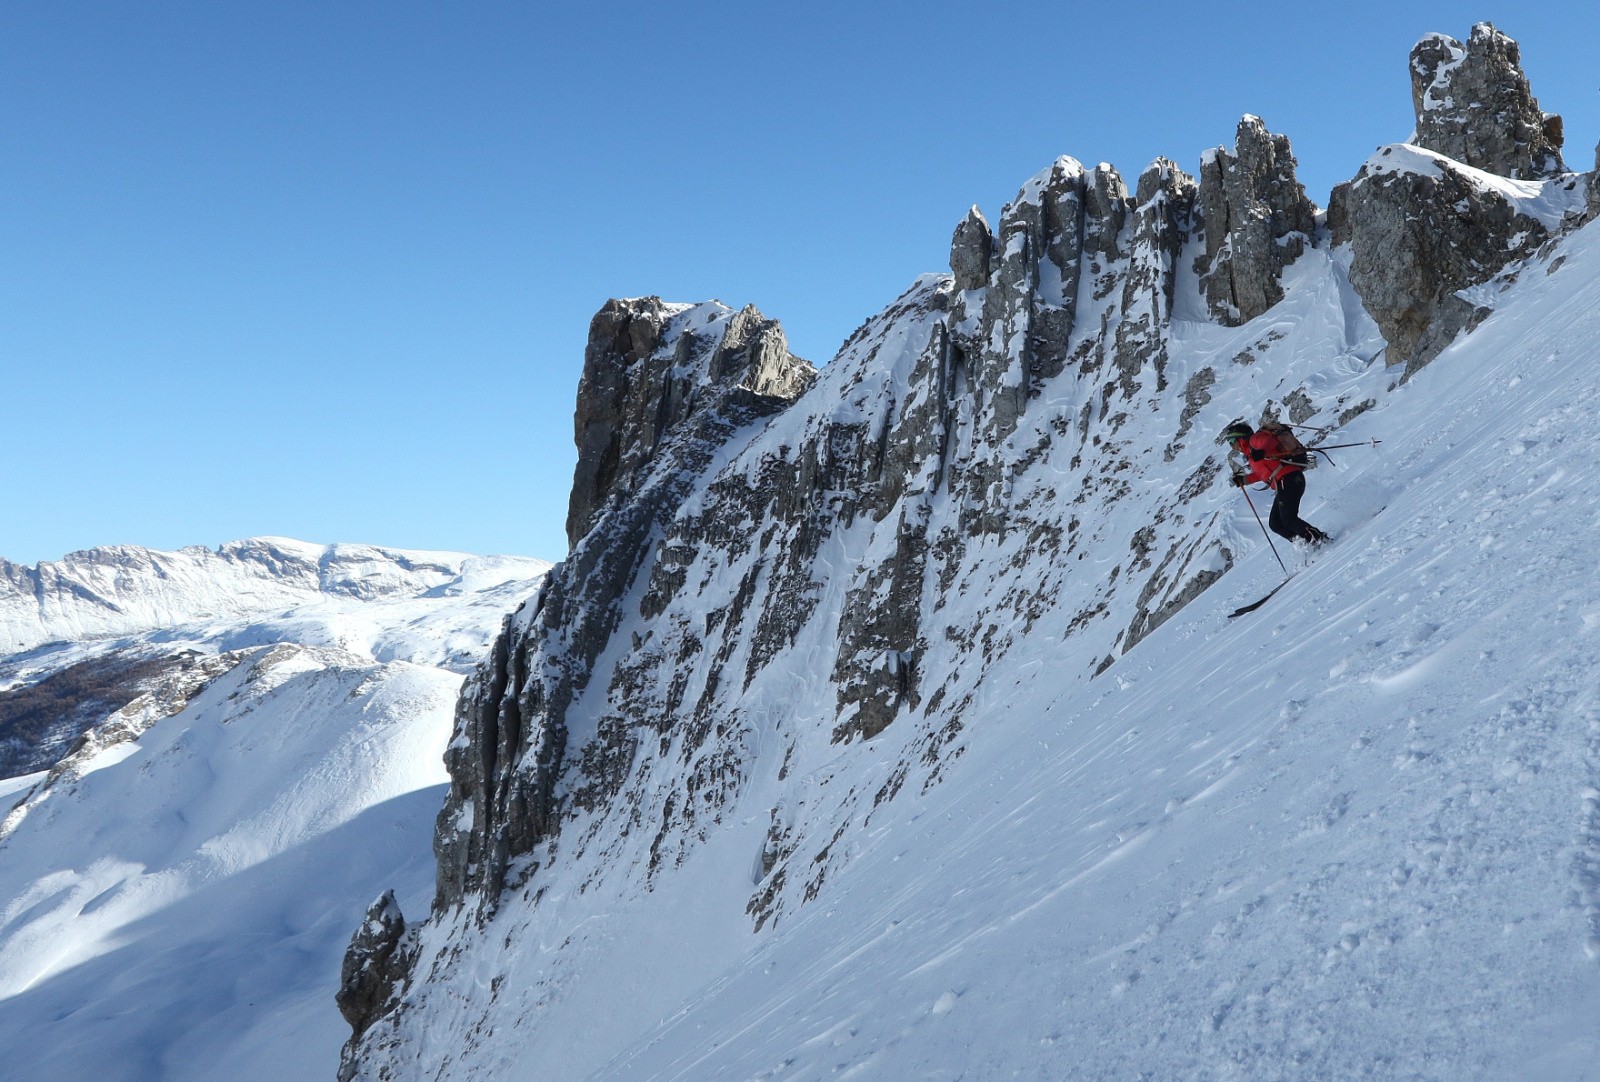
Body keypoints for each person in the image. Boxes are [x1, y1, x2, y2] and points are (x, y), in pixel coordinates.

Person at [1219, 419, 1328, 544]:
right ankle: (1303, 543)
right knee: (1275, 524)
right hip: (1284, 483)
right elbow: (1262, 474)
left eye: (1231, 442)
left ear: (1240, 438)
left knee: (1288, 519)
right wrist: (1243, 480)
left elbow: (1268, 441)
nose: (1232, 446)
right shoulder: (1251, 455)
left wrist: (1261, 451)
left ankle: (1319, 540)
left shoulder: (1254, 440)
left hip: (1289, 479)